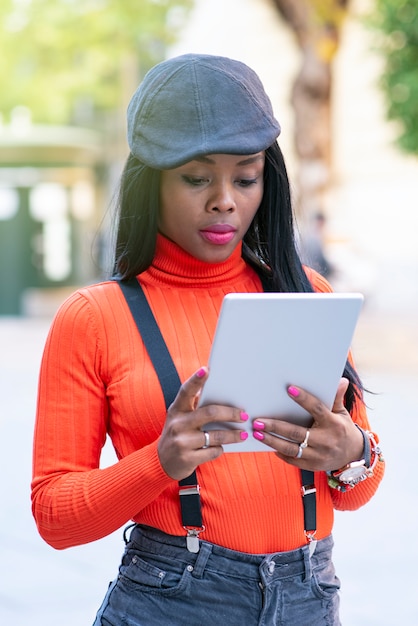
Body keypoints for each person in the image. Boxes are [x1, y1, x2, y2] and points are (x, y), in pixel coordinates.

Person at [31, 54, 384, 626]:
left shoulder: (307, 294)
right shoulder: (93, 317)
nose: (225, 199)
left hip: (308, 598)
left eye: (245, 177)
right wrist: (159, 463)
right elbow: (54, 516)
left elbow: (355, 490)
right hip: (169, 599)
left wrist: (352, 454)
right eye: (197, 178)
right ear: (151, 180)